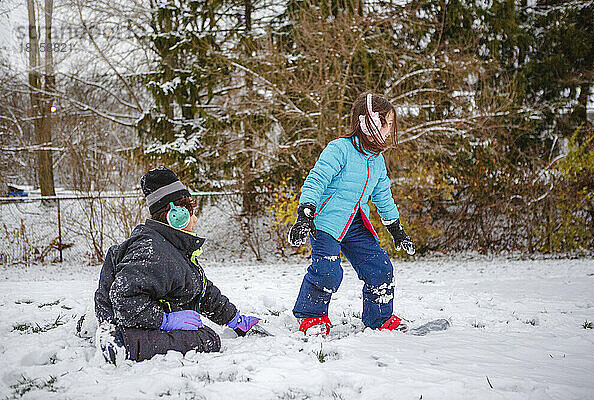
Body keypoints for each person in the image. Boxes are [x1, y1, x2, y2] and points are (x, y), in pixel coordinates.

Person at [94, 167, 260, 364]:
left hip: (137, 316)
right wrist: (165, 321)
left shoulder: (171, 246)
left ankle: (111, 332)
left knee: (203, 334)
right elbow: (124, 299)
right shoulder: (154, 251)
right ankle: (121, 344)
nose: (195, 219)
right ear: (175, 215)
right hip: (126, 322)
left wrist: (234, 319)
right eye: (190, 213)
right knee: (207, 339)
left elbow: (200, 290)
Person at [288, 93, 415, 335]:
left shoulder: (376, 161)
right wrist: (305, 213)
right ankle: (311, 315)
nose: (390, 129)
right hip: (326, 222)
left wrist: (397, 230)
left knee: (381, 268)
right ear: (370, 123)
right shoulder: (339, 149)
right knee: (328, 270)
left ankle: (379, 318)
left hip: (355, 224)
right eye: (387, 123)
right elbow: (317, 179)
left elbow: (383, 196)